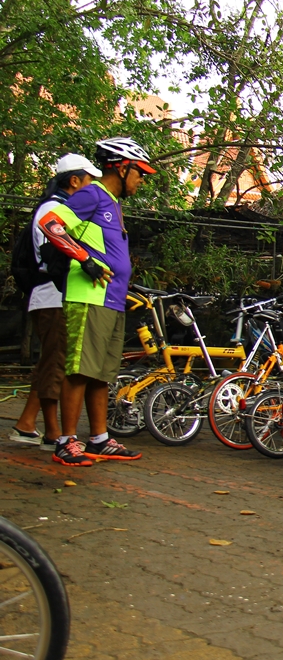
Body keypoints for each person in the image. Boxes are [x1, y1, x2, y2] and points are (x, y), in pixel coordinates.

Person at [37, 137, 156, 467]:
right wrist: (84, 259)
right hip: (88, 297)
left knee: (101, 374)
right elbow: (50, 224)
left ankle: (99, 439)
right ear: (122, 168)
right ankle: (66, 441)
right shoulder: (92, 194)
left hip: (111, 299)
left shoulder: (113, 202)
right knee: (79, 370)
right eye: (140, 172)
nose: (142, 180)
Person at [8, 155, 103, 450]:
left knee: (50, 361)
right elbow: (54, 255)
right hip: (52, 295)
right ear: (74, 180)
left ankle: (26, 423)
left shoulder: (60, 207)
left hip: (51, 295)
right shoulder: (54, 210)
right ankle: (53, 432)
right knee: (57, 363)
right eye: (89, 180)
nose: (93, 187)